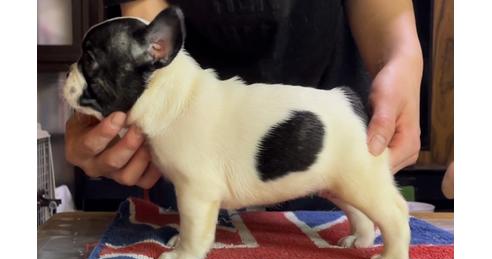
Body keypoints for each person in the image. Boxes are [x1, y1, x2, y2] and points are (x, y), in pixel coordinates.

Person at [65, 0, 423, 209]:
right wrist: (115, 105)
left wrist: (402, 60)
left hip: (322, 119)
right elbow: (144, 19)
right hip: (183, 139)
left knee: (356, 193)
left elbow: (386, 13)